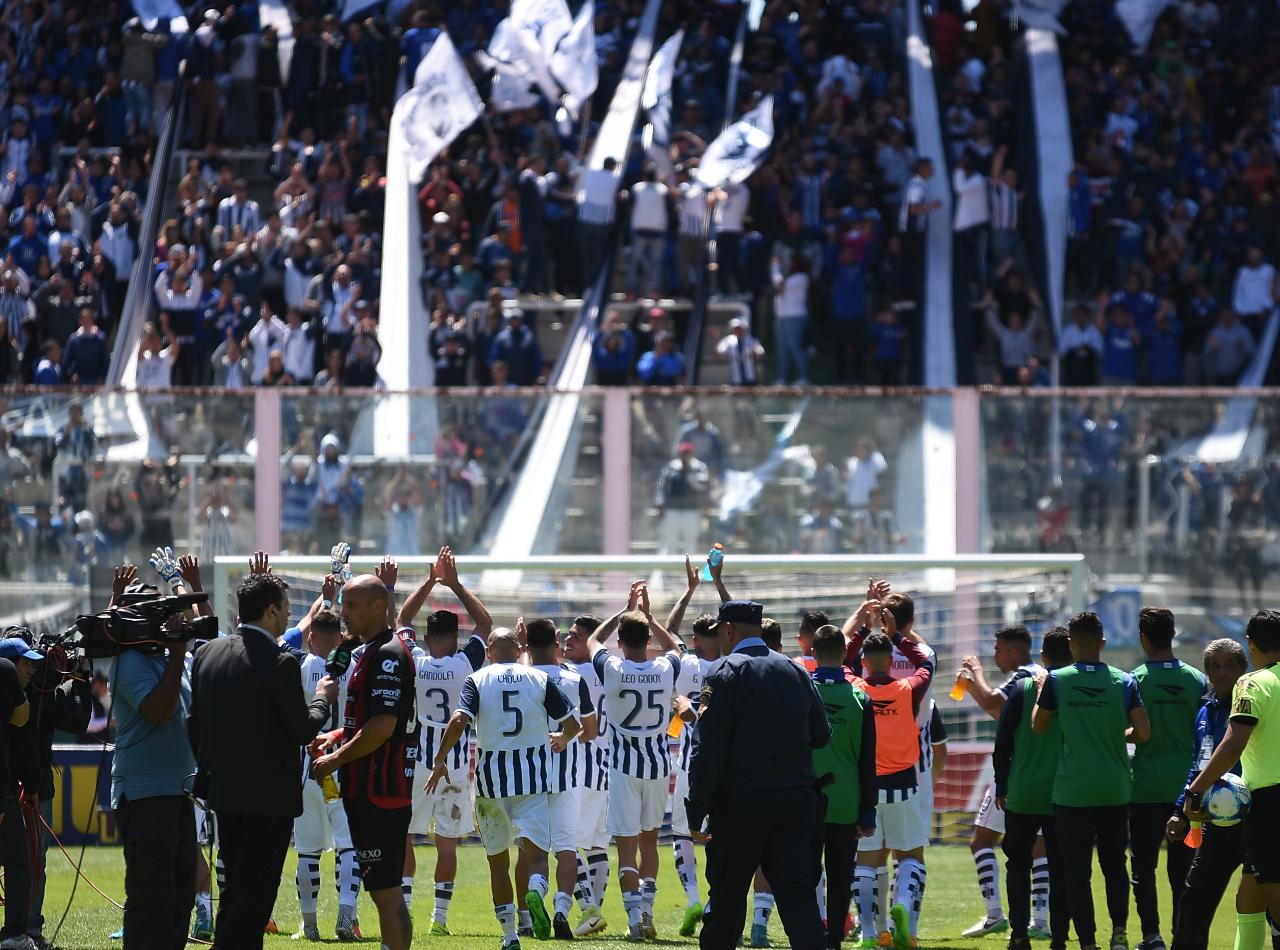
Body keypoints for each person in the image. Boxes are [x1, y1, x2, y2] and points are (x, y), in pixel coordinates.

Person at [188, 565, 338, 950]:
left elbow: (195, 725)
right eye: (286, 607)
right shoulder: (281, 662)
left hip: (222, 792)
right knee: (254, 898)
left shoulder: (207, 653)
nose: (289, 614)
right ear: (271, 610)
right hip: (267, 801)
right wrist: (322, 697)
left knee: (234, 887)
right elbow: (303, 729)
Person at [687, 599, 830, 950]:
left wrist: (695, 809)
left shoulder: (724, 672)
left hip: (741, 806)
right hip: (794, 804)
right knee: (800, 905)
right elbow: (822, 734)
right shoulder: (795, 670)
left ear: (728, 630)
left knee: (726, 906)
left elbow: (709, 751)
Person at [424, 628, 580, 950]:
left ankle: (510, 936)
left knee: (498, 863)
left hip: (490, 786)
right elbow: (573, 724)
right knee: (537, 859)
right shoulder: (538, 678)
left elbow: (457, 721)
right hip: (533, 781)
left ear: (490, 650)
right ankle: (536, 891)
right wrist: (562, 740)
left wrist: (440, 760)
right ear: (519, 647)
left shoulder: (478, 679)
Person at [312, 572, 420, 950]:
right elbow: (365, 721)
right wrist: (337, 735)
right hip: (367, 789)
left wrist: (334, 760)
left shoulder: (388, 654)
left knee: (387, 893)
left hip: (381, 791)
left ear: (380, 606)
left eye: (353, 605)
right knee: (380, 891)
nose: (345, 613)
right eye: (344, 603)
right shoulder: (367, 650)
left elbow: (381, 728)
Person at [1032, 611, 1151, 950]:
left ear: (1070, 644)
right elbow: (1143, 733)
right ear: (1102, 643)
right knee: (1115, 866)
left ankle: (1086, 942)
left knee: (1076, 871)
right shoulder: (1124, 681)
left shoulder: (1058, 679)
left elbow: (1038, 725)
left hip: (1072, 791)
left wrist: (1043, 691)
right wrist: (1115, 734)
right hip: (1114, 788)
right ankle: (1119, 934)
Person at [396, 547, 492, 935]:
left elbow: (401, 617)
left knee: (405, 834)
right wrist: (454, 583)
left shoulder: (414, 659)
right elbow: (485, 625)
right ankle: (439, 919)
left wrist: (430, 581)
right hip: (453, 759)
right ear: (454, 638)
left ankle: (402, 911)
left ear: (426, 636)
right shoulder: (465, 662)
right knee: (447, 843)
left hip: (418, 757)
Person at [588, 583, 685, 942]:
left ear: (621, 642)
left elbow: (593, 642)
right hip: (659, 765)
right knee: (649, 844)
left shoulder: (612, 668)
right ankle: (646, 911)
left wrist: (624, 610)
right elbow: (677, 646)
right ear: (647, 640)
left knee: (626, 846)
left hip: (624, 766)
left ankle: (633, 919)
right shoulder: (664, 669)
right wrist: (650, 617)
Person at [1184, 611, 1280, 950]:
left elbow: (1234, 742)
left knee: (1274, 900)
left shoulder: (1252, 683)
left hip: (1269, 802)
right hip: (1264, 805)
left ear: (1251, 644)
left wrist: (1195, 790)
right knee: (1249, 898)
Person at [110, 579, 197, 950]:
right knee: (152, 898)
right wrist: (177, 655)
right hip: (146, 795)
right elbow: (159, 712)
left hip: (178, 792)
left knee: (180, 898)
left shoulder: (169, 658)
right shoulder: (130, 661)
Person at [843, 597, 934, 950]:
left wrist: (866, 626)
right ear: (891, 664)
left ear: (865, 662)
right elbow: (926, 663)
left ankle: (868, 933)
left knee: (865, 860)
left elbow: (844, 660)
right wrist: (897, 637)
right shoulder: (907, 689)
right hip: (904, 785)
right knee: (909, 856)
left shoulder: (856, 687)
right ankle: (903, 917)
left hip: (866, 788)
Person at [955, 625, 1048, 939]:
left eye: (997, 649)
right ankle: (1042, 921)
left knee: (982, 841)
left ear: (1015, 651)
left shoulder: (1024, 675)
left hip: (1015, 770)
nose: (994, 655)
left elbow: (995, 702)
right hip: (1041, 772)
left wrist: (976, 675)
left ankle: (995, 914)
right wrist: (972, 687)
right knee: (1038, 846)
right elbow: (1001, 712)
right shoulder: (1043, 677)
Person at [5, 624, 91, 948]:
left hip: (29, 789)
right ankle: (23, 930)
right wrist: (79, 678)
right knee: (26, 864)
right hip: (23, 790)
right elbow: (77, 716)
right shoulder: (31, 691)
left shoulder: (44, 693)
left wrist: (73, 678)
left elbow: (74, 716)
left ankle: (26, 930)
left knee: (30, 864)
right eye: (26, 661)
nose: (32, 667)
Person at [1129, 607, 1207, 950]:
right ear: (1172, 635)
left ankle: (1152, 936)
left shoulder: (1134, 679)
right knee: (1184, 871)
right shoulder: (1195, 680)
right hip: (1189, 791)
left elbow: (1133, 731)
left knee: (1144, 868)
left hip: (1145, 788)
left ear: (1143, 638)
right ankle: (1182, 937)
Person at [992, 626, 1073, 950]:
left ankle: (1019, 935)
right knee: (1061, 867)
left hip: (1023, 792)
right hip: (1064, 795)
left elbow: (1001, 742)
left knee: (1018, 865)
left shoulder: (1022, 688)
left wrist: (1001, 783)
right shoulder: (1075, 689)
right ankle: (1060, 937)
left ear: (1042, 656)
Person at [1169, 638, 1249, 950]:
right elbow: (1198, 766)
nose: (1223, 671)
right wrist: (1180, 810)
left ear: (1243, 669)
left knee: (1266, 901)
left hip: (1256, 818)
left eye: (1230, 664)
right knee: (1194, 900)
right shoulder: (1204, 710)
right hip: (1216, 822)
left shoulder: (1252, 706)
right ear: (1207, 673)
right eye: (1215, 666)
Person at [663, 556, 728, 937]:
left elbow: (669, 628)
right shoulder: (734, 664)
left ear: (695, 640)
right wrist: (718, 583)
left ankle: (691, 900)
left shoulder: (685, 664)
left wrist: (690, 589)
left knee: (682, 836)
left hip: (689, 765)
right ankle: (715, 903)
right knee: (723, 839)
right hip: (727, 767)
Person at [291, 603, 363, 942]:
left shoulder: (302, 667)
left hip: (307, 766)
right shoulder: (356, 667)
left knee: (307, 849)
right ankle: (347, 916)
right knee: (349, 844)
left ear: (312, 639)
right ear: (340, 637)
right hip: (340, 764)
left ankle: (310, 925)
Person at [527, 618, 598, 940]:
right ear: (556, 641)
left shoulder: (520, 676)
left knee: (534, 851)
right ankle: (560, 910)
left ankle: (533, 897)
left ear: (526, 645)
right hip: (567, 777)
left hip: (528, 777)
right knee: (567, 849)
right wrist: (565, 739)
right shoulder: (574, 678)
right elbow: (590, 731)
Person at [809, 625, 878, 950]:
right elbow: (868, 760)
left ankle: (808, 937)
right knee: (839, 878)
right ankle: (834, 941)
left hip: (806, 801)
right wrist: (868, 810)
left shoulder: (803, 692)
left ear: (812, 652)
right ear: (846, 655)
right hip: (847, 803)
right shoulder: (860, 699)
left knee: (804, 877)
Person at [560, 616, 612, 937]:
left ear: (590, 643)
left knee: (565, 842)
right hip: (605, 768)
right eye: (567, 635)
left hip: (581, 768)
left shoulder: (576, 673)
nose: (567, 641)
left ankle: (589, 911)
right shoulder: (609, 671)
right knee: (596, 846)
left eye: (576, 637)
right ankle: (593, 913)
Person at [0, 638, 37, 950]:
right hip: (3, 794)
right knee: (16, 863)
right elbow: (21, 718)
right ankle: (15, 934)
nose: (33, 670)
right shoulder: (5, 673)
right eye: (26, 663)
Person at [655, 442, 710, 556]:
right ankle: (670, 571)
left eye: (687, 453)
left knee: (691, 543)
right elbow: (662, 486)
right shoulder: (671, 467)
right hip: (672, 510)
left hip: (692, 510)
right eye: (683, 453)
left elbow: (704, 488)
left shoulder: (699, 467)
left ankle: (689, 571)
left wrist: (704, 508)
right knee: (671, 542)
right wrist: (660, 504)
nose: (685, 456)